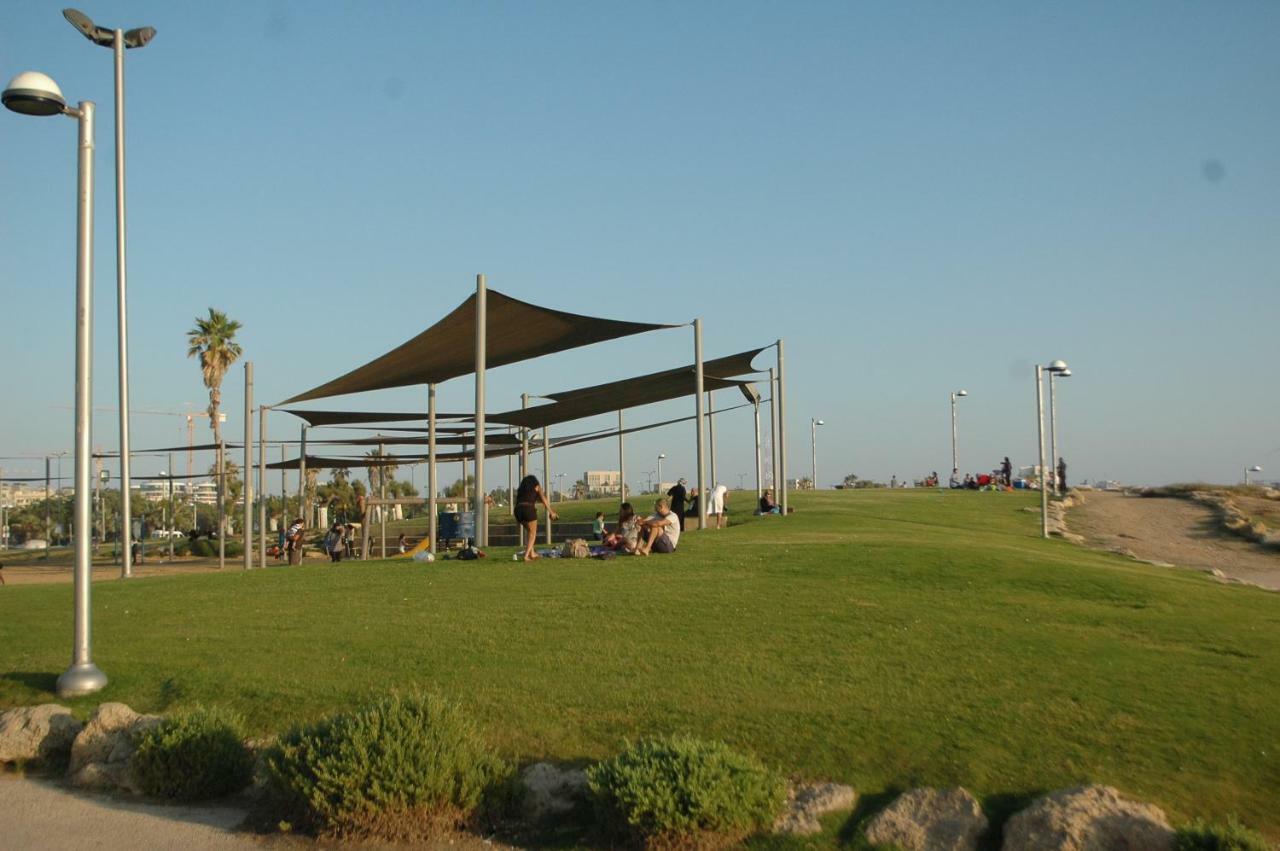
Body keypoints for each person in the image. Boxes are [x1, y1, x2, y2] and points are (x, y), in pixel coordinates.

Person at [515, 474, 557, 561]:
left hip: (518, 510)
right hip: (528, 509)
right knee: (533, 533)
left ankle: (532, 553)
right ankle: (526, 556)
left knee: (529, 531)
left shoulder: (522, 490)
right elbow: (543, 499)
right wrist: (551, 512)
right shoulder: (537, 486)